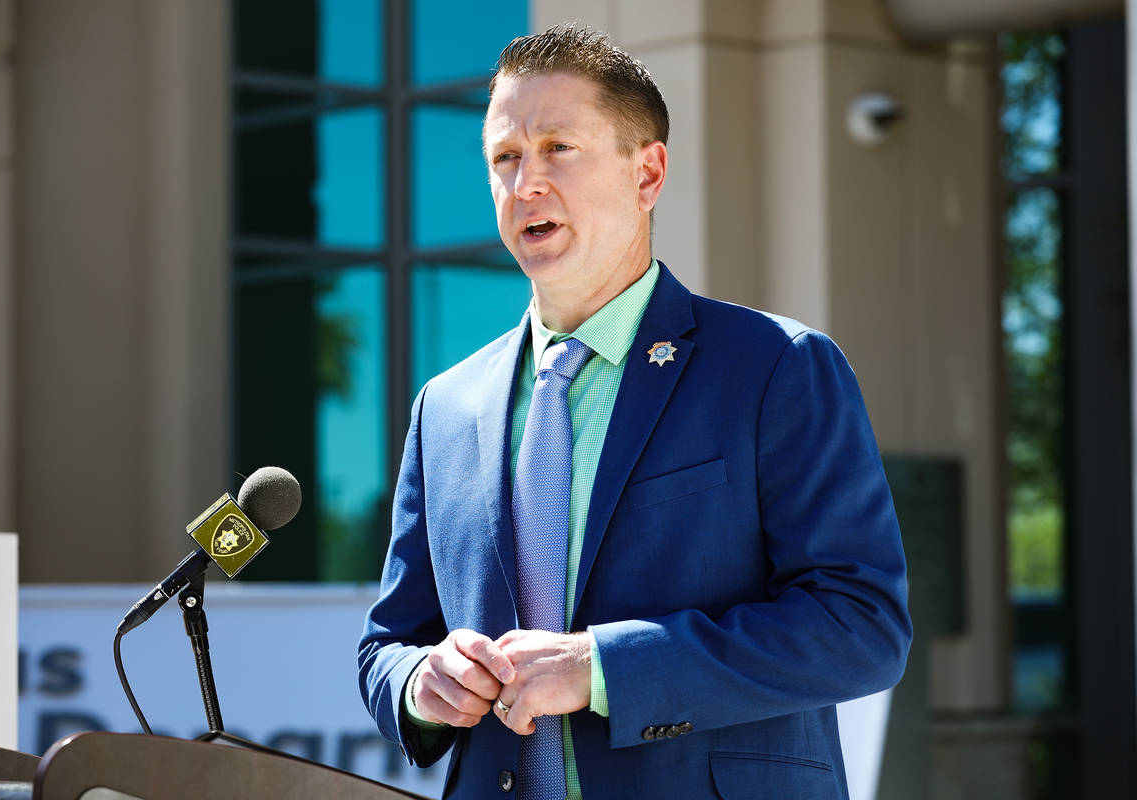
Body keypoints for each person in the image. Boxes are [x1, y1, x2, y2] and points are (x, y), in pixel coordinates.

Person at [358, 24, 911, 800]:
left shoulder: (775, 367)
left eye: (558, 148)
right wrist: (423, 682)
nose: (525, 186)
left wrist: (606, 667)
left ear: (647, 173)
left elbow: (861, 628)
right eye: (505, 158)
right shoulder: (445, 408)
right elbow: (388, 645)